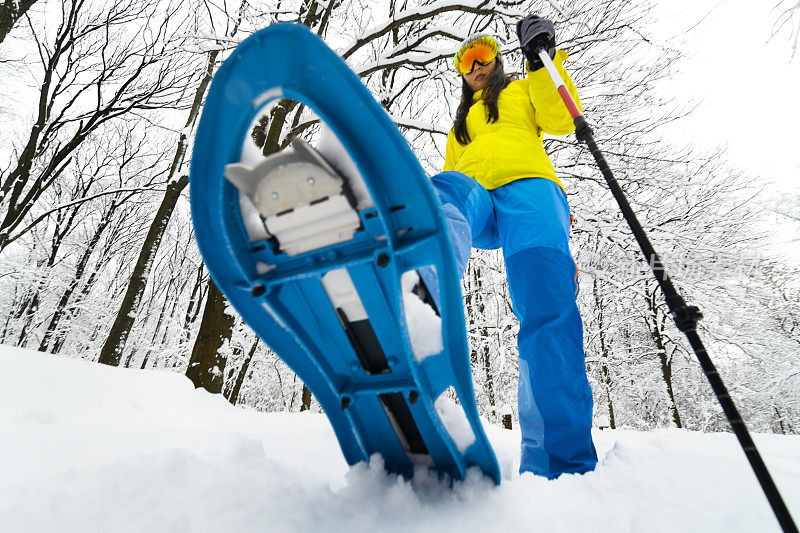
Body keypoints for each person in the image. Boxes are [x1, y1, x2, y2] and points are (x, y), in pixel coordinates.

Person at [422, 15, 598, 479]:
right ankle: (415, 298)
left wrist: (543, 58)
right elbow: (452, 174)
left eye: (482, 53)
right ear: (461, 73)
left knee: (546, 310)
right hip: (477, 194)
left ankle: (557, 464)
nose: (476, 64)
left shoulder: (521, 91)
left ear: (498, 59)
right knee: (442, 194)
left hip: (531, 193)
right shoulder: (462, 126)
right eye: (465, 60)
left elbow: (562, 118)